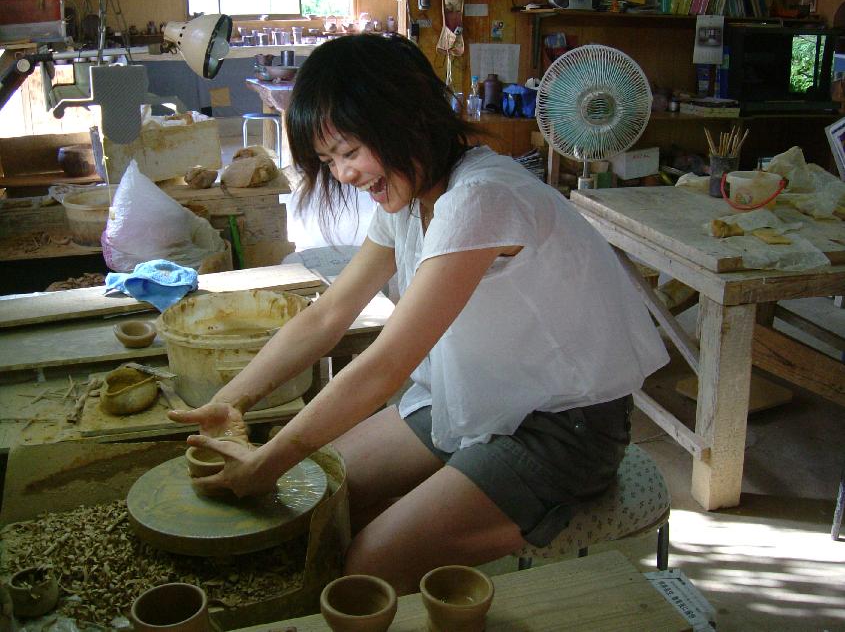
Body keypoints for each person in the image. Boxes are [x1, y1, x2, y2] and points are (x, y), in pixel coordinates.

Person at [169, 33, 669, 595]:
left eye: (350, 151)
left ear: (406, 120)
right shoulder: (409, 198)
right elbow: (327, 314)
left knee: (370, 561)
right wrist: (228, 401)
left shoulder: (479, 198)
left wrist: (269, 458)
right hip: (480, 395)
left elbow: (386, 365)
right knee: (318, 501)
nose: (343, 175)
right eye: (330, 160)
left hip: (564, 426)